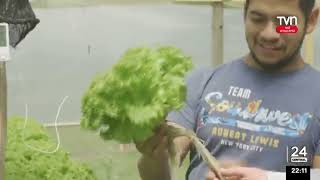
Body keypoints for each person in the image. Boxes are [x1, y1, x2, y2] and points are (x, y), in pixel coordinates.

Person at [135, 0, 320, 179]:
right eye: (257, 19)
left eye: (284, 22)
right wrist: (154, 153)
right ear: (244, 15)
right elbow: (166, 159)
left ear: (310, 20)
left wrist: (269, 178)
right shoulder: (202, 83)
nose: (269, 33)